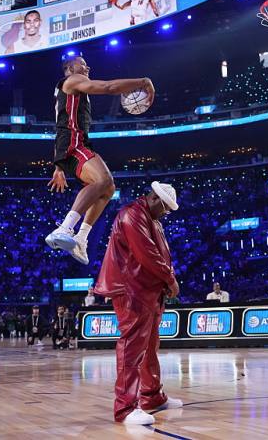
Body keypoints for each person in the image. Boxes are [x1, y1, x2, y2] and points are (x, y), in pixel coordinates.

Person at [46, 56, 156, 264]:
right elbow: (108, 87)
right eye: (82, 63)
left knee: (108, 188)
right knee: (102, 181)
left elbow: (59, 123)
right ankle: (64, 229)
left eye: (87, 63)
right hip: (74, 144)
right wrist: (143, 81)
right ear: (70, 69)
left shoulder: (73, 90)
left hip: (73, 144)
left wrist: (58, 166)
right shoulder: (72, 81)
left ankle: (81, 238)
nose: (87, 66)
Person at [95, 181, 183, 425]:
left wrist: (165, 281)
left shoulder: (151, 219)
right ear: (154, 198)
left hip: (148, 290)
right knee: (132, 348)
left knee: (149, 347)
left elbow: (161, 255)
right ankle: (125, 408)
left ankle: (152, 396)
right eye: (165, 207)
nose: (166, 213)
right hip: (131, 289)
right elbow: (148, 255)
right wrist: (171, 280)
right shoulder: (131, 215)